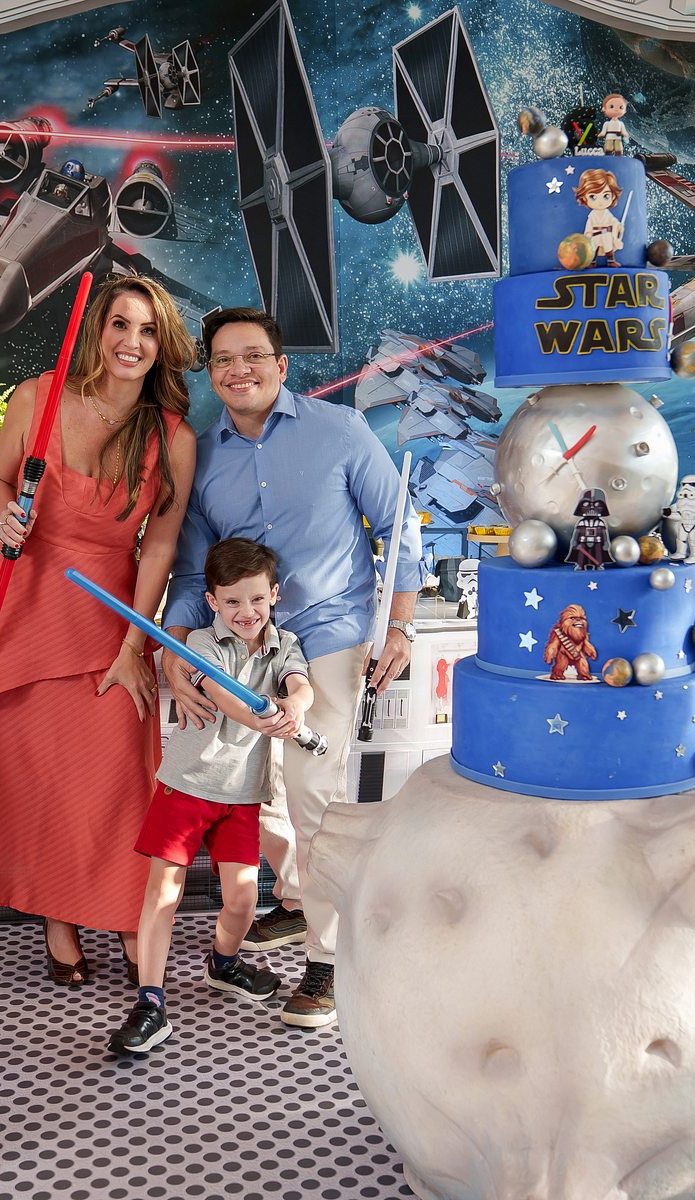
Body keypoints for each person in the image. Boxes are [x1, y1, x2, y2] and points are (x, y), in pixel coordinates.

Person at [0, 276, 198, 987]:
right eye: (119, 324)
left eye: (147, 330)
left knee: (116, 779)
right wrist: (4, 517)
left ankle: (129, 918)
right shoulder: (36, 397)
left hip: (110, 613)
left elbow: (160, 548)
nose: (131, 342)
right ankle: (59, 921)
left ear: (163, 344)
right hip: (24, 602)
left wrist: (134, 645)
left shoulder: (173, 437)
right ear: (97, 331)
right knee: (38, 774)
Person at [162, 308, 424, 1028]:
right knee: (260, 791)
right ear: (211, 372)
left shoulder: (342, 430)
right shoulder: (202, 456)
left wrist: (400, 624)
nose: (237, 369)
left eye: (253, 355)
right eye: (223, 359)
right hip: (247, 646)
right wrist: (175, 650)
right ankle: (303, 898)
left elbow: (399, 525)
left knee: (313, 795)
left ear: (282, 365)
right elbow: (193, 570)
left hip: (331, 637)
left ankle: (328, 962)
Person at [109, 539, 312, 1054]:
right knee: (163, 894)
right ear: (213, 601)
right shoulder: (200, 642)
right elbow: (223, 697)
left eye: (258, 599)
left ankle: (223, 963)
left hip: (242, 794)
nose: (247, 612)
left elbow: (300, 684)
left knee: (244, 899)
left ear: (274, 595)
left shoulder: (285, 643)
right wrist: (265, 721)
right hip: (187, 786)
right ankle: (150, 1003)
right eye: (233, 601)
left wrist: (295, 706)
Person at [576, 168, 625, 268]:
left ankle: (611, 260)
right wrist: (588, 236)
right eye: (593, 197)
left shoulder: (607, 214)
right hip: (595, 234)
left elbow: (613, 222)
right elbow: (589, 227)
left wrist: (618, 226)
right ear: (584, 197)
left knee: (608, 247)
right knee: (593, 248)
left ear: (613, 196)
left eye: (606, 196)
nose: (600, 202)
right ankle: (592, 262)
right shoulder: (592, 216)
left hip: (606, 234)